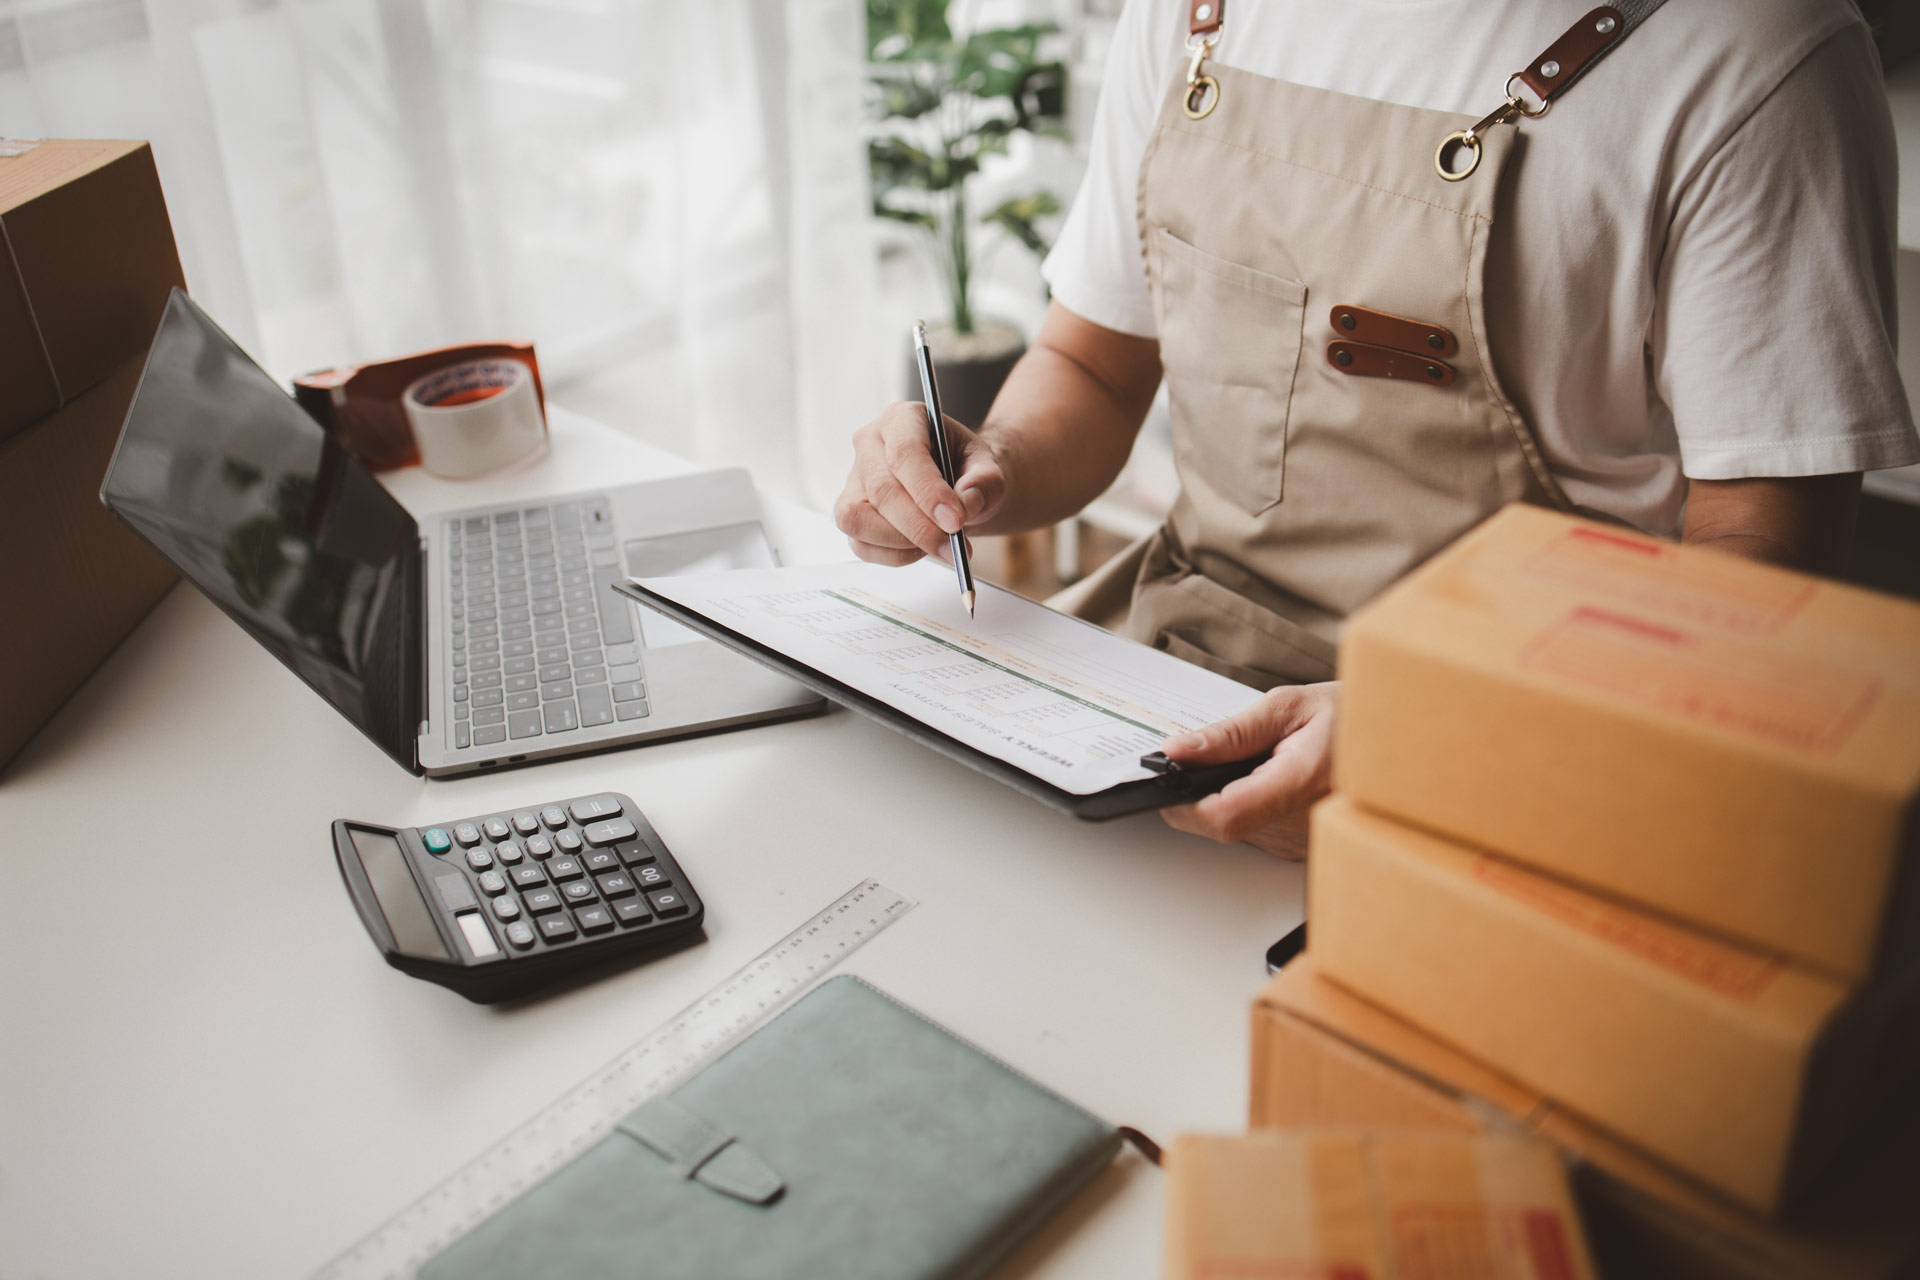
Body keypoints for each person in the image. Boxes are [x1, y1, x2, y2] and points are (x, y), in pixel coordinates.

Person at [835, 0, 1919, 857]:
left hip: (1527, 739)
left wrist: (1441, 722)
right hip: (1166, 690)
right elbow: (1093, 364)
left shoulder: (1759, 56)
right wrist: (988, 464)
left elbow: (1764, 581)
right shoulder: (1192, 11)